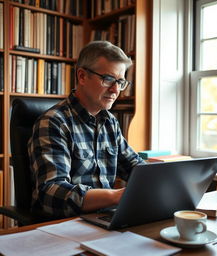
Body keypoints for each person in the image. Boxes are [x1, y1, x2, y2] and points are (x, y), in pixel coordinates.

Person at [28, 41, 144, 218]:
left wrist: (159, 181)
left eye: (120, 82)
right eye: (108, 79)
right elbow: (51, 191)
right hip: (62, 226)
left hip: (104, 220)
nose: (115, 90)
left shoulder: (110, 122)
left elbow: (135, 167)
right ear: (82, 76)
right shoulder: (53, 122)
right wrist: (115, 196)